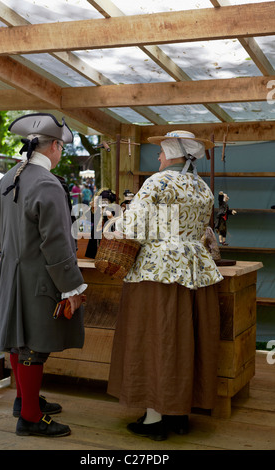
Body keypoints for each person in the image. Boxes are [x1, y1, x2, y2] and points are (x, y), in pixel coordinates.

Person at [107, 130, 223, 441]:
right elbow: (202, 229)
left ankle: (154, 420)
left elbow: (133, 228)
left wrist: (113, 223)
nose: (158, 156)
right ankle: (179, 415)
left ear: (171, 151)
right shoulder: (203, 187)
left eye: (161, 151)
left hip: (157, 271)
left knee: (155, 339)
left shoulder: (157, 182)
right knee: (184, 340)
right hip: (195, 271)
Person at [0, 113, 87, 438]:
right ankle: (29, 416)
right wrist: (72, 287)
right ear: (55, 146)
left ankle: (22, 400)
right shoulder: (47, 183)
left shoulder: (7, 179)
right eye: (61, 147)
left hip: (11, 273)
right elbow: (57, 243)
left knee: (18, 342)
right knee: (33, 347)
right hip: (39, 279)